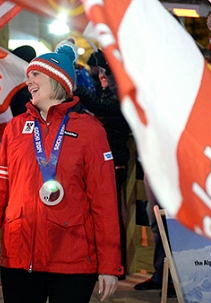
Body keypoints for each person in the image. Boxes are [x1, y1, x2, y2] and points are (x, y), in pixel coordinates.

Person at [0, 45, 123, 303]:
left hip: (72, 259)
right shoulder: (15, 128)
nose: (29, 81)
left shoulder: (91, 131)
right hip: (18, 255)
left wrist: (109, 264)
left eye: (36, 75)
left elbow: (104, 203)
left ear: (58, 81)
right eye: (29, 76)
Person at [75, 49, 131, 280]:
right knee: (105, 213)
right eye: (100, 73)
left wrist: (77, 91)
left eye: (105, 73)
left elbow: (103, 107)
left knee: (112, 215)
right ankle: (106, 261)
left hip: (115, 161)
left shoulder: (121, 96)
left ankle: (117, 264)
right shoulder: (110, 92)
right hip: (108, 160)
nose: (100, 76)